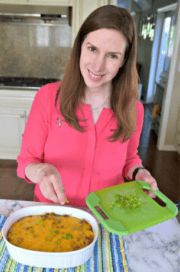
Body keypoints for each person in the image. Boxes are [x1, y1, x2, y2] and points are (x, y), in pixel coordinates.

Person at [17, 5, 158, 207]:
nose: (98, 66)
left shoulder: (134, 109)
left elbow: (129, 159)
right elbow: (25, 163)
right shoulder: (48, 97)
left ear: (123, 61)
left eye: (112, 56)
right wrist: (40, 172)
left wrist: (139, 172)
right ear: (80, 47)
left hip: (108, 214)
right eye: (92, 49)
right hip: (52, 212)